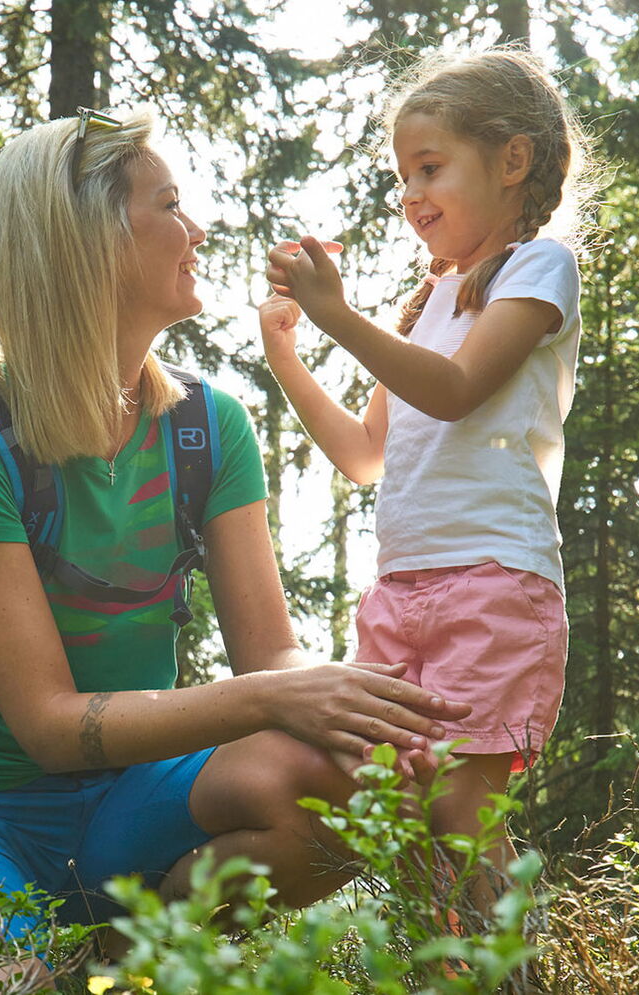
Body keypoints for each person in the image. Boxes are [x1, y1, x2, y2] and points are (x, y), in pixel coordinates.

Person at [0, 109, 472, 993]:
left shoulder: (208, 428)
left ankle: (113, 955)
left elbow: (273, 657)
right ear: (88, 240)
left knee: (345, 784)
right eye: (170, 205)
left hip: (125, 799)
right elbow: (51, 724)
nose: (199, 229)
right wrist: (274, 693)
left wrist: (339, 703)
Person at [260, 47, 594, 918]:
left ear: (512, 160)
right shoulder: (430, 297)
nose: (411, 194)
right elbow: (366, 455)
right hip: (402, 588)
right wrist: (288, 353)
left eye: (431, 168)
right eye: (403, 175)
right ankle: (442, 968)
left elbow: (452, 390)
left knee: (459, 804)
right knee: (395, 805)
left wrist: (337, 314)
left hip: (493, 578)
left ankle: (509, 977)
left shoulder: (538, 268)